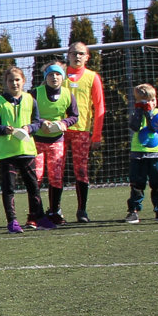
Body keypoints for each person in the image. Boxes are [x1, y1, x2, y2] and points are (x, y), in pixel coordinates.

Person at [0, 67, 52, 233]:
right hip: (7, 152)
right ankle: (12, 221)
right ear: (6, 83)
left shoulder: (30, 100)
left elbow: (37, 122)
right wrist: (4, 129)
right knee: (9, 188)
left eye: (17, 80)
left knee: (33, 186)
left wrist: (29, 128)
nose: (14, 83)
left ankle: (39, 217)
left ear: (23, 81)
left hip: (27, 150)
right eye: (11, 80)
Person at [63, 41, 105, 223]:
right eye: (74, 53)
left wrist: (96, 135)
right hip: (60, 131)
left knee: (81, 171)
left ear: (87, 57)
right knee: (56, 170)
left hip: (81, 131)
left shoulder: (92, 77)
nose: (77, 56)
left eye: (81, 53)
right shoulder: (59, 75)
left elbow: (99, 106)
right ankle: (54, 210)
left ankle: (82, 210)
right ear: (68, 55)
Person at [30, 62, 77, 226]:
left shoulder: (68, 94)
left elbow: (74, 116)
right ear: (46, 77)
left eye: (57, 74)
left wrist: (64, 123)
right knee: (35, 177)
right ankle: (35, 214)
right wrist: (41, 122)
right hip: (37, 141)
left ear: (62, 77)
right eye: (51, 74)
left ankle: (54, 211)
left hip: (57, 141)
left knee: (56, 178)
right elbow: (28, 113)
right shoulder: (35, 93)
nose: (54, 77)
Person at [124, 84, 158, 224]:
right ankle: (133, 210)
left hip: (156, 154)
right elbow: (134, 127)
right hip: (138, 154)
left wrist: (149, 113)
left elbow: (154, 127)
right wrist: (139, 111)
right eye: (145, 101)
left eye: (152, 100)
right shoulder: (135, 113)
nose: (150, 103)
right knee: (137, 184)